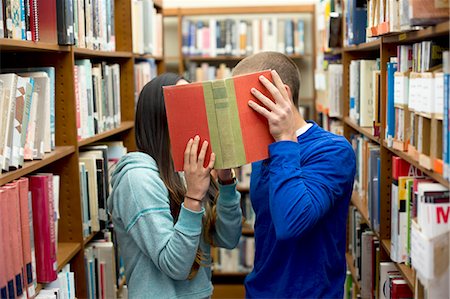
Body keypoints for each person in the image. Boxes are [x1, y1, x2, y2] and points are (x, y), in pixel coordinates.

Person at [107, 73, 242, 299]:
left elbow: (228, 239)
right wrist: (194, 197)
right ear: (161, 116)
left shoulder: (186, 171)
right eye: (186, 102)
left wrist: (226, 182)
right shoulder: (138, 179)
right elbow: (175, 265)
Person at [233, 52, 356, 298]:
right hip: (259, 291)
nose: (236, 112)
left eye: (242, 100)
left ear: (282, 96)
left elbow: (291, 224)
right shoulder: (262, 151)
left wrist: (285, 139)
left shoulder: (333, 151)